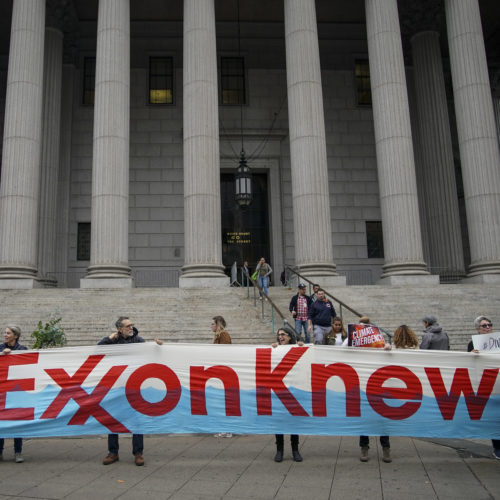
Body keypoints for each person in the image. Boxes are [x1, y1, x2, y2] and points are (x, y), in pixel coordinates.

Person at [97, 316, 161, 466]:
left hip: (134, 386)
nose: (131, 328)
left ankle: (138, 453)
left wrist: (157, 345)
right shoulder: (112, 341)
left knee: (136, 420)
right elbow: (97, 349)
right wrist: (108, 338)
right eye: (127, 326)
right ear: (119, 329)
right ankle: (113, 452)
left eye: (132, 325)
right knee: (113, 419)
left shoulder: (138, 340)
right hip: (116, 385)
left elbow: (151, 352)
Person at [358, 316, 391, 463]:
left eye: (366, 325)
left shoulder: (378, 337)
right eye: (361, 325)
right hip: (361, 385)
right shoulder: (353, 338)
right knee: (364, 419)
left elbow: (388, 350)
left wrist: (388, 347)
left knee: (382, 419)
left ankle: (386, 448)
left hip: (377, 385)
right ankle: (364, 447)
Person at [467, 315, 500, 459]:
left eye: (489, 325)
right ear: (478, 329)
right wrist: (472, 355)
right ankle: (497, 446)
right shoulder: (472, 344)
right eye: (484, 326)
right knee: (494, 417)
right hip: (486, 385)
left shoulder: (498, 342)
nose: (488, 327)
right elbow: (467, 364)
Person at [271, 326, 304, 462]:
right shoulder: (275, 349)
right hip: (278, 390)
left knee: (293, 422)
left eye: (283, 334)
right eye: (279, 335)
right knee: (279, 421)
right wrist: (272, 348)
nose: (280, 337)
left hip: (293, 390)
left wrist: (301, 347)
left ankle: (295, 449)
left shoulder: (296, 348)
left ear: (290, 336)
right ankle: (279, 450)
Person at [0, 325, 27, 463]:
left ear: (15, 336)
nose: (5, 335)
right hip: (2, 392)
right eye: (5, 333)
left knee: (17, 422)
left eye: (8, 333)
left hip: (17, 391)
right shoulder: (0, 348)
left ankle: (18, 452)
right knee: (1, 422)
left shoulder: (22, 350)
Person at [212, 316, 232, 437]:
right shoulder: (219, 335)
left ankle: (227, 429)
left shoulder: (223, 335)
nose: (211, 326)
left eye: (212, 324)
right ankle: (223, 427)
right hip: (220, 371)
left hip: (224, 371)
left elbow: (225, 352)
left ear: (218, 324)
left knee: (224, 401)